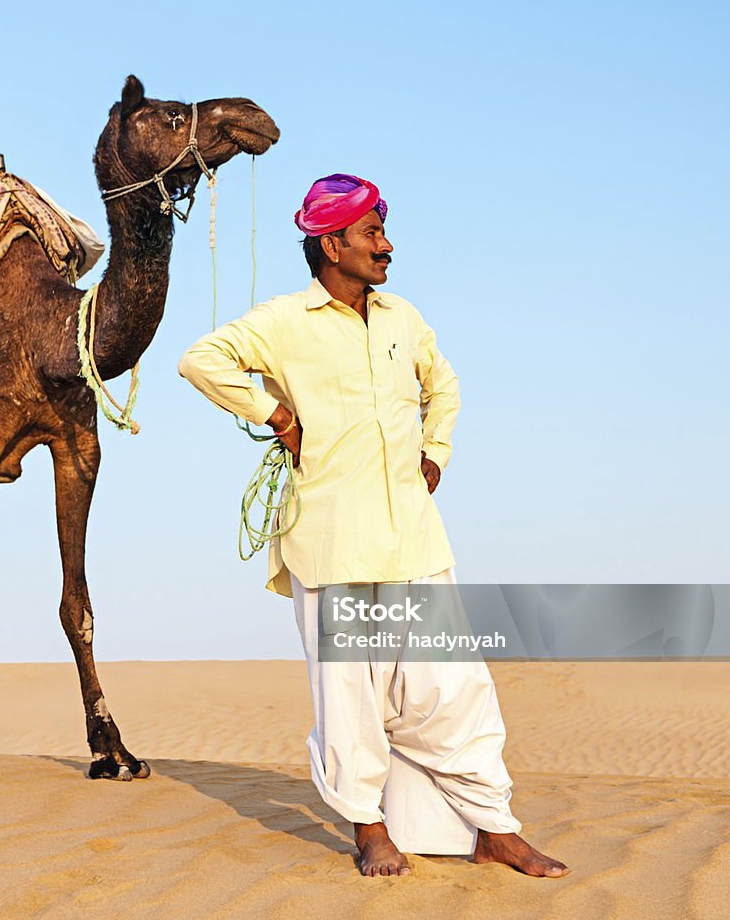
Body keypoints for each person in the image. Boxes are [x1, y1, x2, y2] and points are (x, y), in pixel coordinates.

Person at [178, 173, 569, 879]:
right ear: (331, 244)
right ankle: (369, 828)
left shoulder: (402, 318)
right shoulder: (284, 321)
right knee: (348, 692)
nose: (385, 246)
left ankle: (493, 827)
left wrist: (436, 452)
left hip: (414, 535)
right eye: (371, 234)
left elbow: (443, 384)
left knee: (455, 685)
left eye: (383, 231)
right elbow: (201, 361)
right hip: (331, 539)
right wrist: (276, 415)